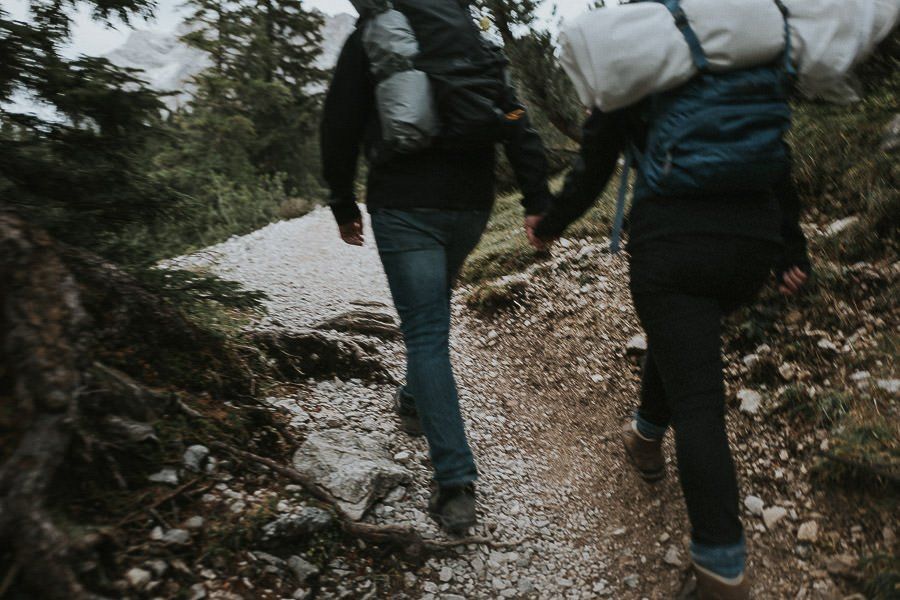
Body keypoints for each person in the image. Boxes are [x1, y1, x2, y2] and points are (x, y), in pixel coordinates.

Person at [527, 107, 811, 598]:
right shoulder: (738, 65)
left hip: (674, 243)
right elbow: (774, 153)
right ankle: (645, 434)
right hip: (752, 246)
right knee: (682, 334)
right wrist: (792, 247)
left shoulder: (643, 66)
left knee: (698, 404)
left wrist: (552, 222)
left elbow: (597, 158)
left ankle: (721, 573)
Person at [321, 18, 553, 534]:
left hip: (405, 203)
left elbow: (338, 121)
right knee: (432, 309)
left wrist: (342, 201)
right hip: (471, 206)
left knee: (426, 331)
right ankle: (412, 399)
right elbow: (515, 116)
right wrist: (537, 197)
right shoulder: (467, 33)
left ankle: (455, 482)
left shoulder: (374, 34)